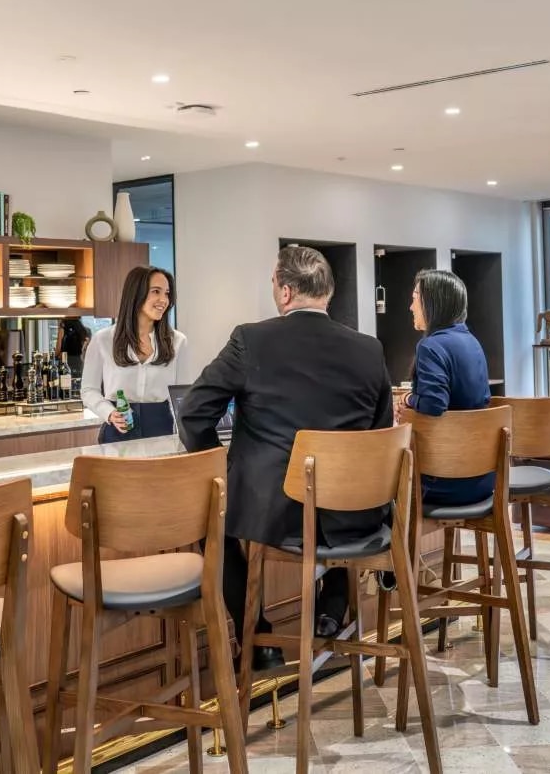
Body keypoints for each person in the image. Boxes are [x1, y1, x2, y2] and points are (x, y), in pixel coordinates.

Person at [178, 245, 393, 670]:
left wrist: (217, 464)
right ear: (327, 293)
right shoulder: (369, 349)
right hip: (355, 513)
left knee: (210, 526)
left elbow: (193, 411)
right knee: (333, 524)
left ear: (286, 292)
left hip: (274, 512)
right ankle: (331, 609)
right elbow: (381, 435)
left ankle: (257, 637)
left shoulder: (251, 339)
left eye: (274, 283)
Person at [395, 269, 493, 505]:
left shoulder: (431, 346)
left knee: (377, 481)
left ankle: (396, 543)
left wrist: (408, 400)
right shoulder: (472, 342)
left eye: (415, 298)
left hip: (445, 480)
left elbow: (434, 403)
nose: (411, 307)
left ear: (433, 302)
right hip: (481, 477)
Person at [81, 266, 185, 443]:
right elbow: (89, 390)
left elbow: (183, 395)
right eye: (156, 291)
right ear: (136, 294)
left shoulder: (178, 341)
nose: (164, 300)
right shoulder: (103, 340)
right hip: (117, 430)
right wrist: (109, 412)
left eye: (167, 293)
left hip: (162, 431)